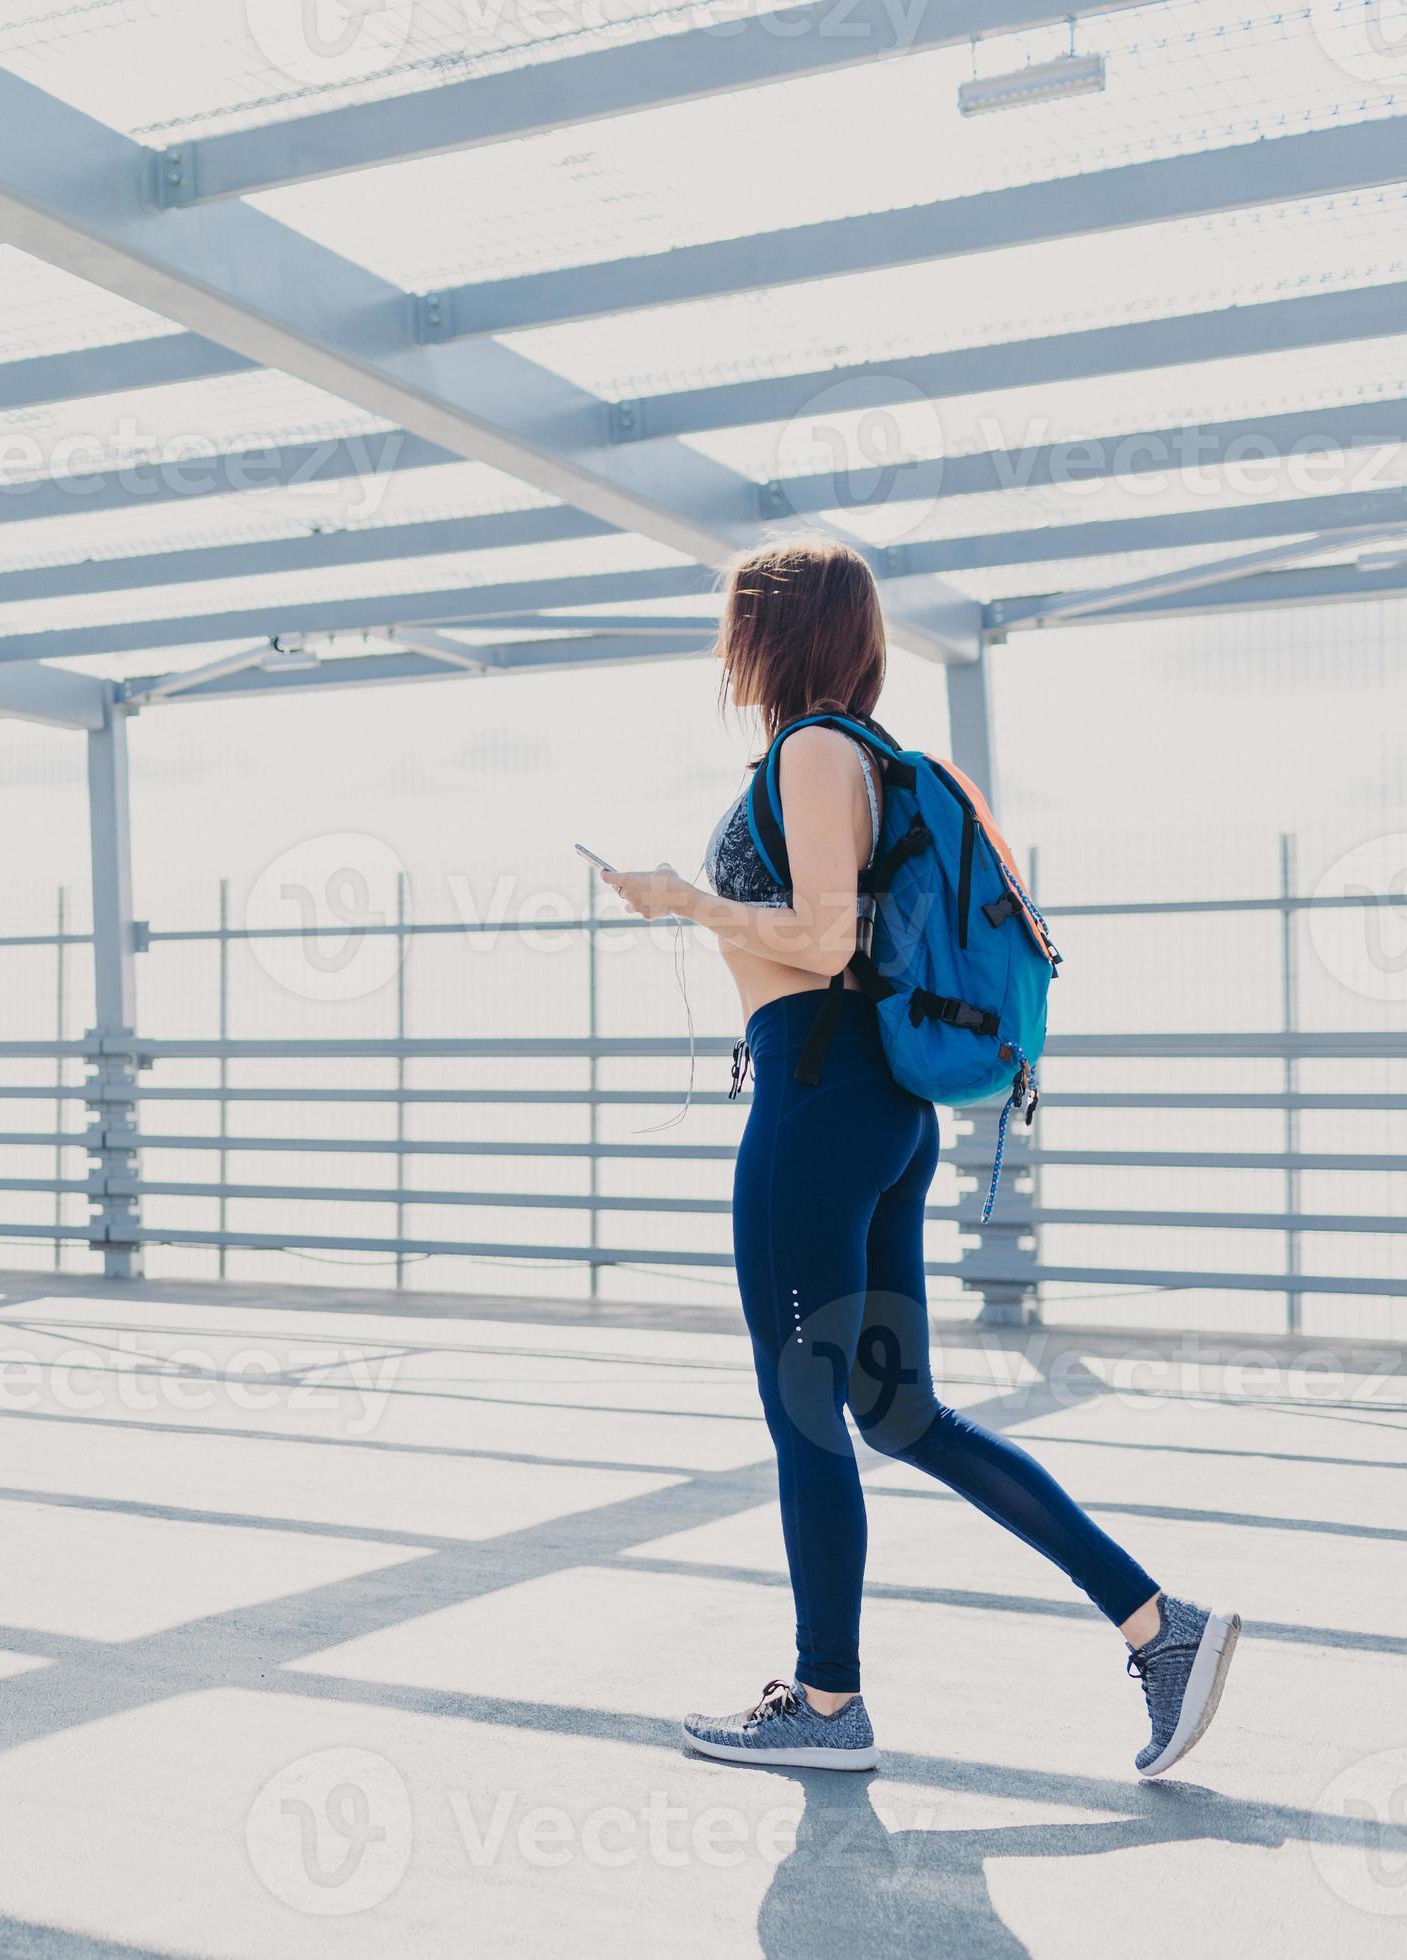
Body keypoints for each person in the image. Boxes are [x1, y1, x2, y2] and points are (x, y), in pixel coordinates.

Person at [598, 535, 1239, 1779]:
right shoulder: (862, 757)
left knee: (804, 1411)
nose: (726, 645)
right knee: (898, 1413)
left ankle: (827, 1704)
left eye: (740, 621)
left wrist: (684, 900)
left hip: (816, 1097)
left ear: (778, 633)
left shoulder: (816, 750)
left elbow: (828, 938)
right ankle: (1163, 1630)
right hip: (880, 1110)